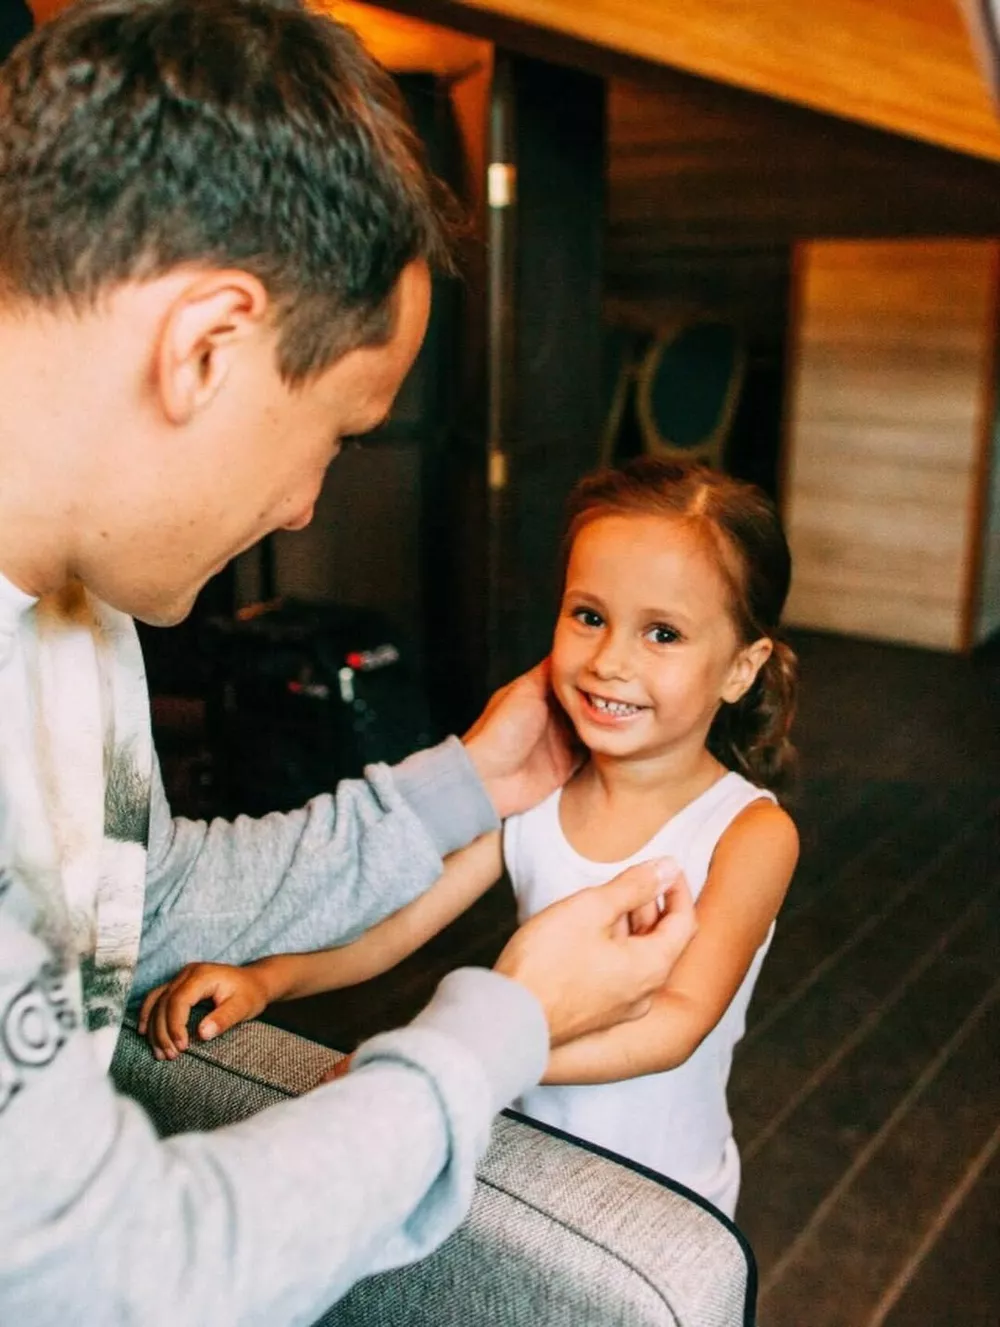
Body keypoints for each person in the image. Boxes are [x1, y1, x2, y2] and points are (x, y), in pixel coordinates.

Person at [0, 4, 699, 1324]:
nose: (307, 504)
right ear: (208, 344)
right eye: (336, 431)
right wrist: (502, 1021)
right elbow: (116, 1277)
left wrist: (467, 781)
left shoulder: (77, 624)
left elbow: (132, 897)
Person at [143, 457, 800, 1218]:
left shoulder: (748, 832)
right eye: (589, 616)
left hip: (664, 1198)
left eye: (663, 633)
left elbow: (674, 1025)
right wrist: (269, 979)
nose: (610, 660)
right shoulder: (539, 790)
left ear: (740, 669)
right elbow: (396, 929)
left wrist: (462, 1063)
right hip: (523, 1161)